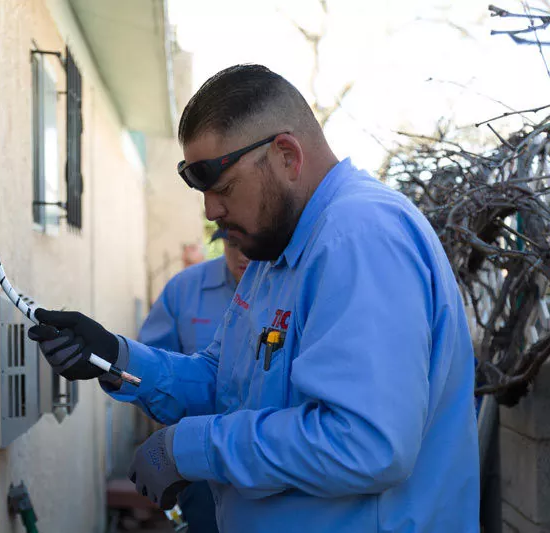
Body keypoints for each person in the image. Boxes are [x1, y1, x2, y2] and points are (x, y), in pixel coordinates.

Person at [28, 64, 479, 532]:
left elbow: (365, 445)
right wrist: (115, 359)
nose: (211, 211)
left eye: (223, 188)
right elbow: (222, 383)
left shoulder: (358, 237)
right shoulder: (275, 251)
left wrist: (190, 448)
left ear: (286, 155)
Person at [138, 228, 248, 532]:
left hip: (267, 457)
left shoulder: (287, 285)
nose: (242, 254)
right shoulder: (184, 288)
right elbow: (152, 368)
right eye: (232, 243)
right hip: (198, 459)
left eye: (248, 241)